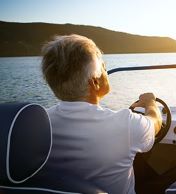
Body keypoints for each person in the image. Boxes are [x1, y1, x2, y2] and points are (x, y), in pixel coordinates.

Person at [41, 34, 162, 194]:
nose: (106, 71)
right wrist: (150, 102)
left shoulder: (37, 125)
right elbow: (155, 123)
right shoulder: (125, 124)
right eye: (103, 67)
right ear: (95, 82)